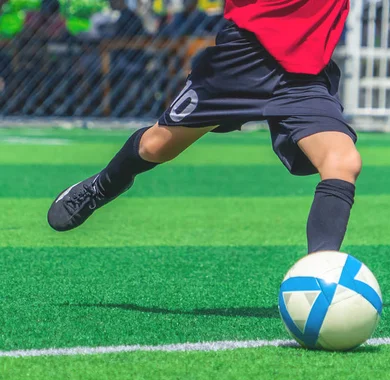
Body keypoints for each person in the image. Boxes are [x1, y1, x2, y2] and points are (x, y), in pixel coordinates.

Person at [47, 0, 359, 254]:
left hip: (302, 76)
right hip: (240, 62)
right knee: (155, 146)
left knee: (343, 162)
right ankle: (101, 186)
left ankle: (321, 273)